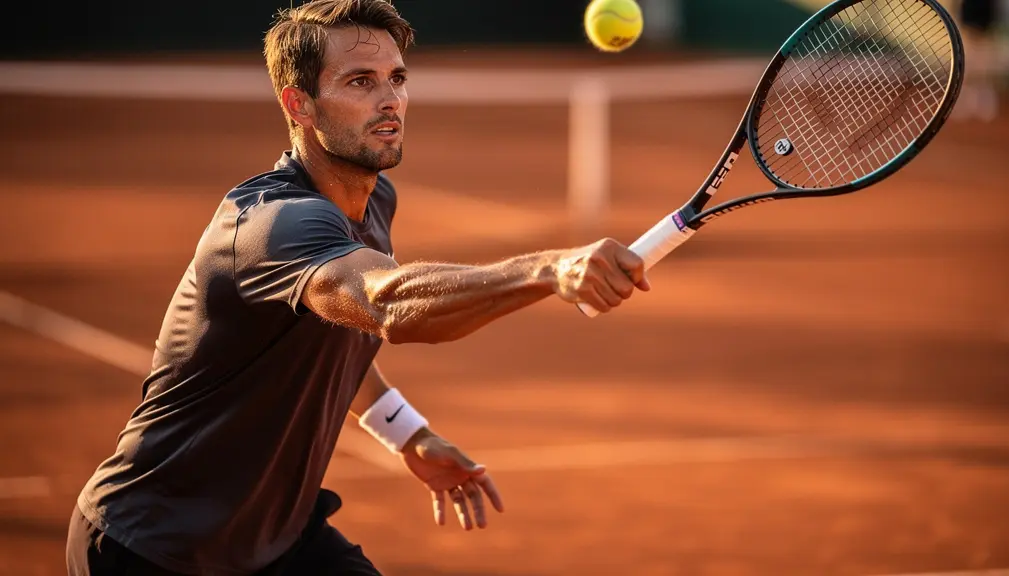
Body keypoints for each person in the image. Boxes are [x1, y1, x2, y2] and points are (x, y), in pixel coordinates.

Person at [65, 0, 649, 574]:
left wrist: (409, 436)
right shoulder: (275, 224)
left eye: (396, 78)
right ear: (301, 106)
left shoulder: (373, 201)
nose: (390, 98)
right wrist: (547, 270)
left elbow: (339, 330)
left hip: (275, 538)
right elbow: (384, 303)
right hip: (152, 546)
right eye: (360, 81)